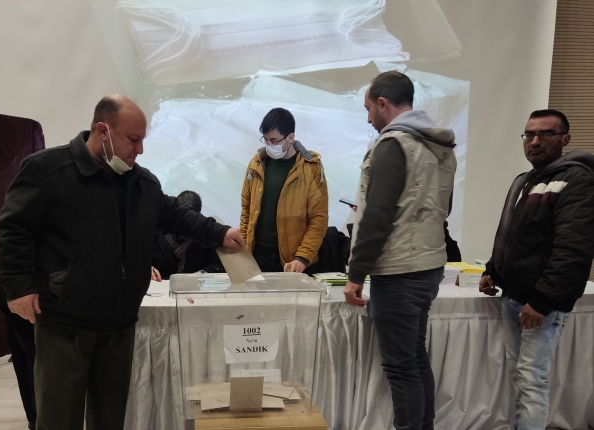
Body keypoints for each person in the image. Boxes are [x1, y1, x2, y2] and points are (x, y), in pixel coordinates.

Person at [0, 95, 245, 430]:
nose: (140, 149)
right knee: (58, 417)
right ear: (103, 131)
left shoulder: (142, 183)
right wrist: (17, 285)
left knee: (111, 419)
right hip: (64, 323)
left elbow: (175, 215)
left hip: (119, 326)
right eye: (133, 139)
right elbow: (13, 229)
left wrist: (221, 233)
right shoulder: (47, 170)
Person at [344, 71, 457, 430]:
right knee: (414, 358)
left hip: (398, 271)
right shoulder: (437, 144)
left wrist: (355, 275)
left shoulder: (394, 144)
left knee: (401, 366)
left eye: (368, 109)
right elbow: (443, 208)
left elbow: (377, 216)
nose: (368, 119)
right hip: (427, 265)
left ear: (382, 103)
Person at [479, 109, 594, 430]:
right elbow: (514, 236)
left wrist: (542, 302)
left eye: (546, 134)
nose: (535, 141)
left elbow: (573, 250)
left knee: (532, 381)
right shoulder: (530, 180)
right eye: (529, 134)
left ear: (565, 139)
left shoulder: (578, 179)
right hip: (514, 297)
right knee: (521, 376)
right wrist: (492, 271)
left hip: (540, 303)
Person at [240, 107, 329, 273]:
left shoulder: (311, 168)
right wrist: (244, 250)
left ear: (290, 137)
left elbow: (318, 219)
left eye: (274, 141)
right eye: (266, 140)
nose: (269, 146)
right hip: (257, 256)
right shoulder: (256, 164)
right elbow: (246, 211)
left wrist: (302, 257)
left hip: (292, 261)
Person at [0, 252, 37, 430]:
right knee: (40, 352)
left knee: (26, 348)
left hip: (10, 274)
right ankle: (40, 416)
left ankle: (35, 416)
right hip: (22, 278)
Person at [150, 190, 224, 281]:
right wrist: (147, 269)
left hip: (193, 287)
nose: (183, 224)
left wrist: (201, 274)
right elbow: (137, 257)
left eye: (189, 220)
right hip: (156, 285)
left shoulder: (206, 236)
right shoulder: (155, 231)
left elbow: (221, 266)